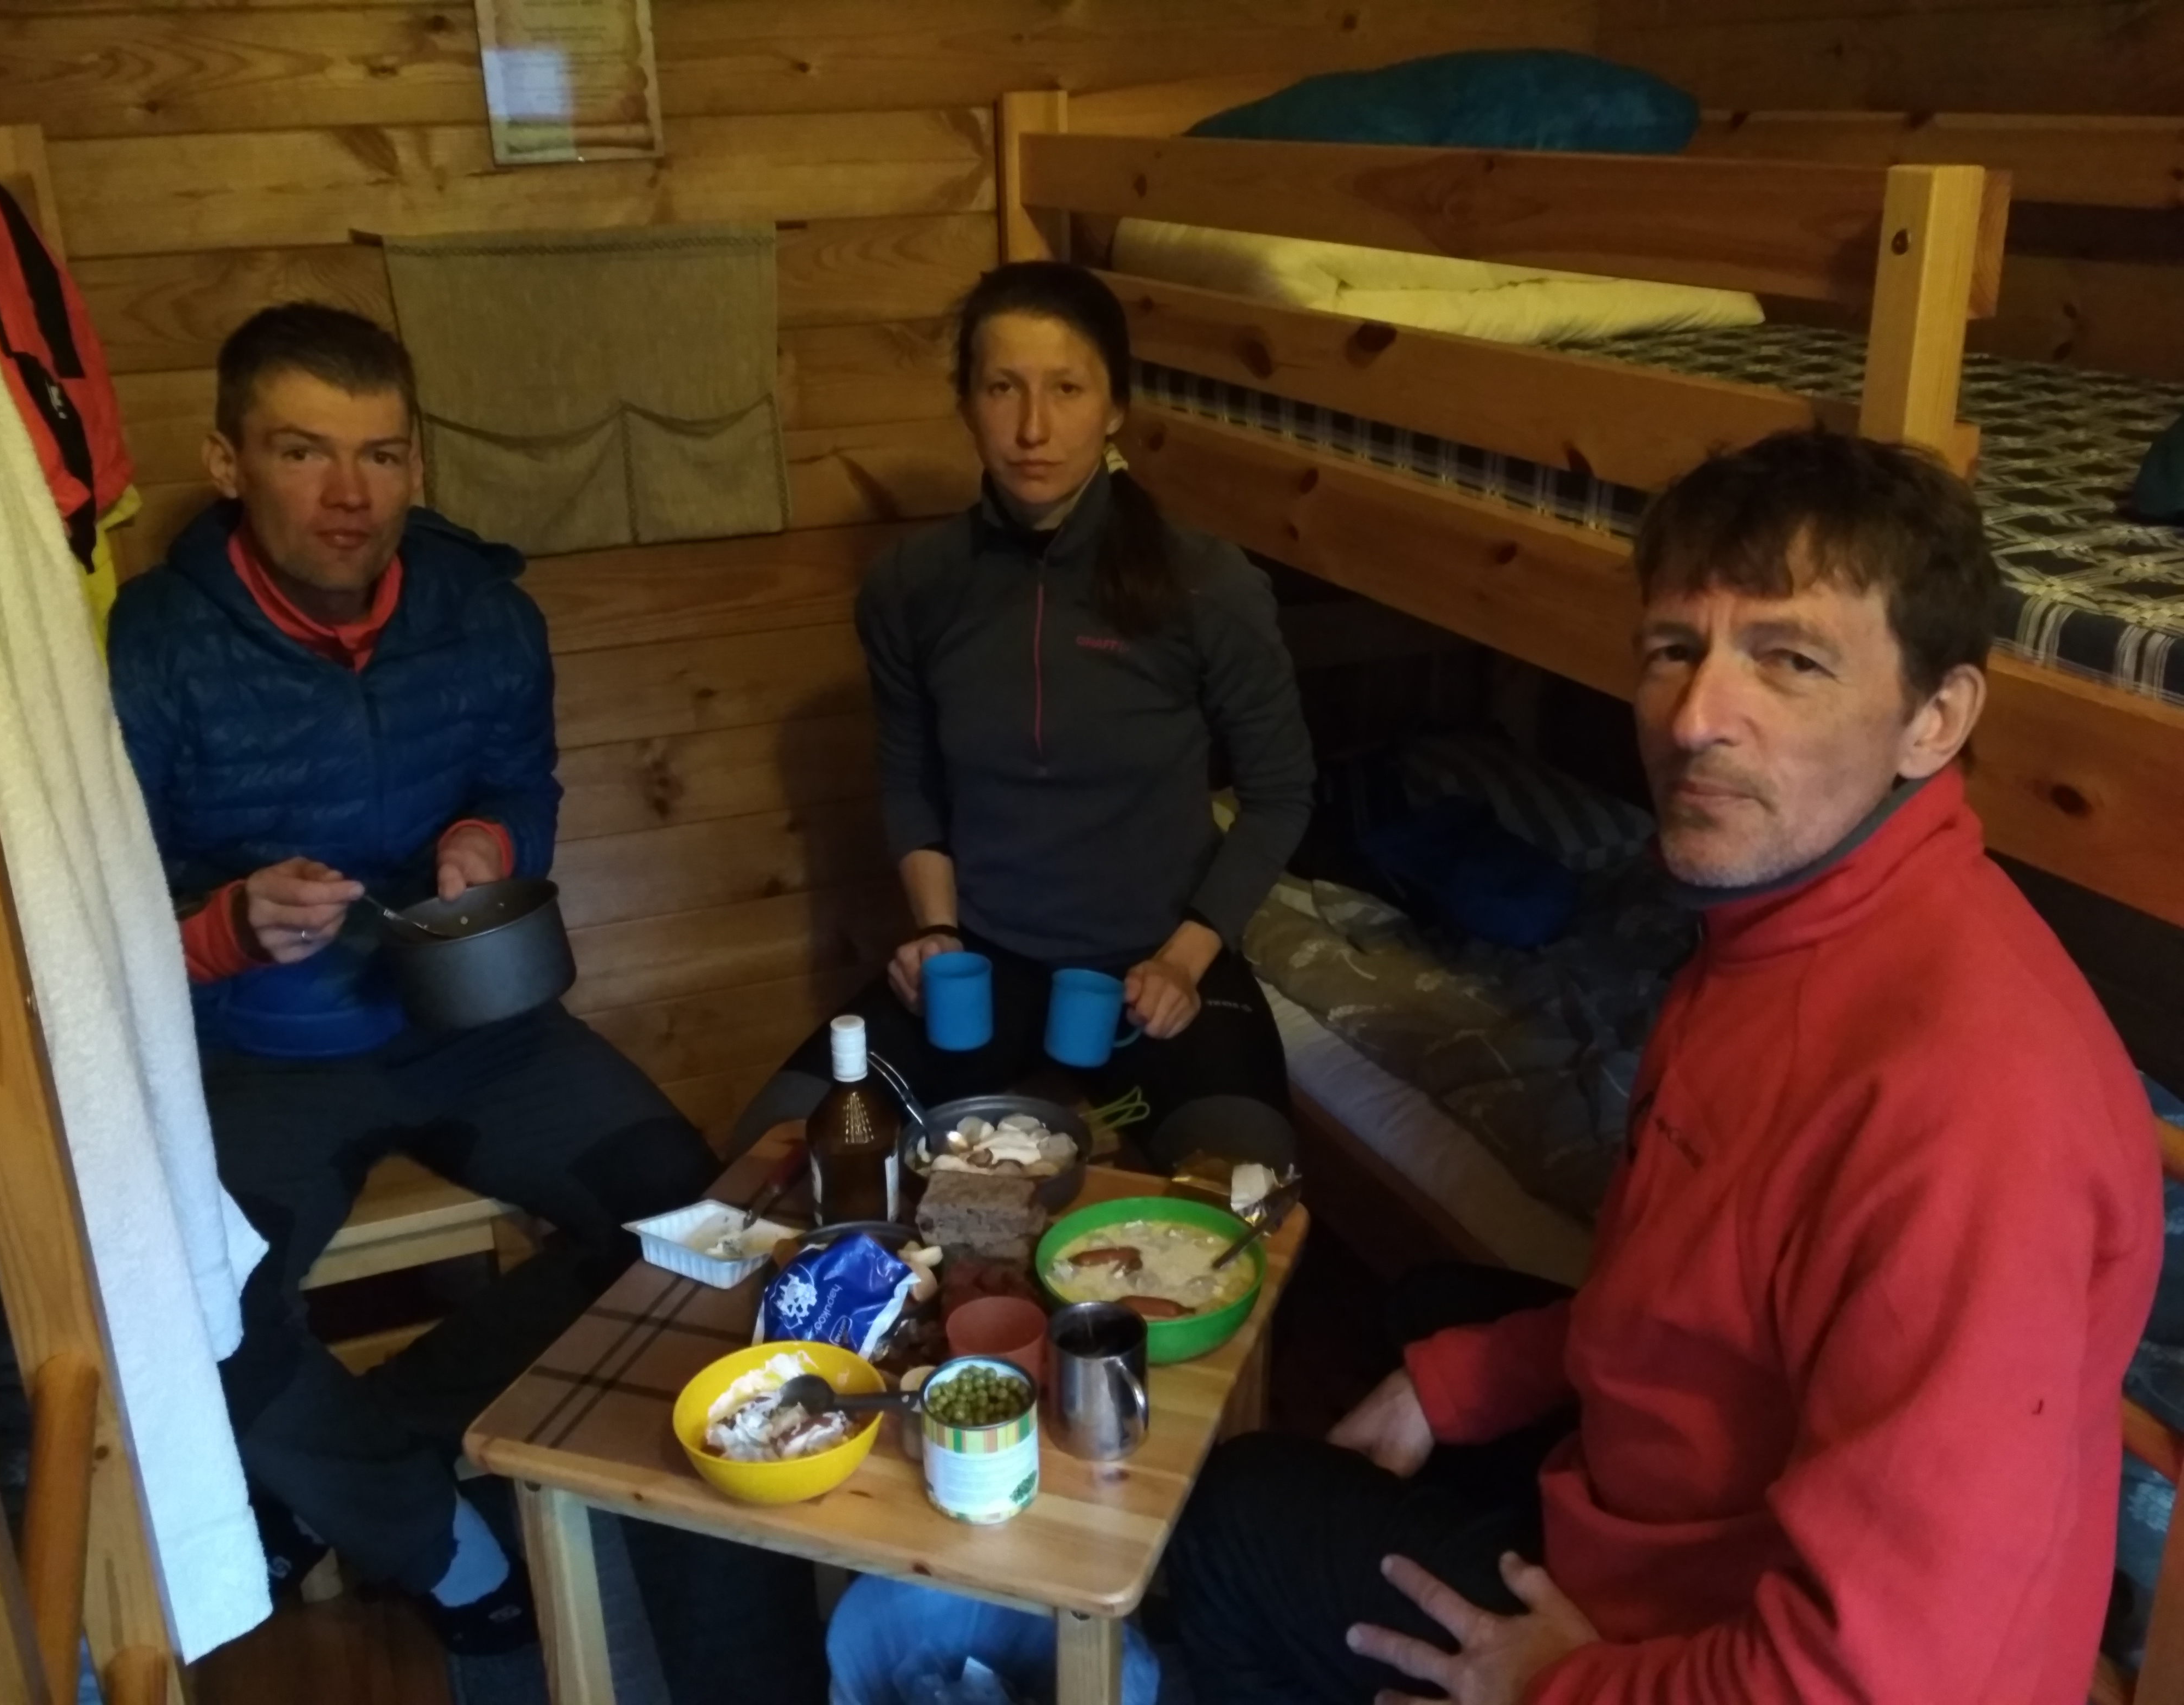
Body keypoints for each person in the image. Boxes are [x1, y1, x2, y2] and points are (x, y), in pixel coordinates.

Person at [1168, 428, 2164, 1703]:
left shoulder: (1970, 1113)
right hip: (1692, 1531)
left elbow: (1893, 1681)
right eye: (1672, 649)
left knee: (1232, 1524)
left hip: (1744, 1657)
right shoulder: (1771, 934)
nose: (1694, 719)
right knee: (1430, 1312)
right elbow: (1675, 1298)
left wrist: (1557, 1684)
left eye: (1789, 660)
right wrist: (1452, 1385)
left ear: (1935, 719)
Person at [108, 303, 826, 1696]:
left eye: (380, 456)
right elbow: (103, 885)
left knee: (698, 1229)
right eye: (304, 452)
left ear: (416, 467)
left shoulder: (479, 610)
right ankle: (448, 1553)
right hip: (262, 1053)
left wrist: (491, 848)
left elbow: (518, 782)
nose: (348, 494)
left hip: (470, 1024)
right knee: (193, 1306)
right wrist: (225, 927)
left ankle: (706, 1632)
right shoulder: (157, 642)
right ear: (228, 461)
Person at [734, 261, 1315, 1170]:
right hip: (983, 967)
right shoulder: (912, 587)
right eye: (1003, 388)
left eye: (1067, 389)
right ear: (966, 403)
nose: (1033, 428)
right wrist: (935, 935)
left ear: (1115, 407)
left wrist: (1185, 960)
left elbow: (1281, 793)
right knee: (777, 1153)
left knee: (1245, 1192)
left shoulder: (1206, 585)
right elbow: (912, 778)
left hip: (1150, 972)